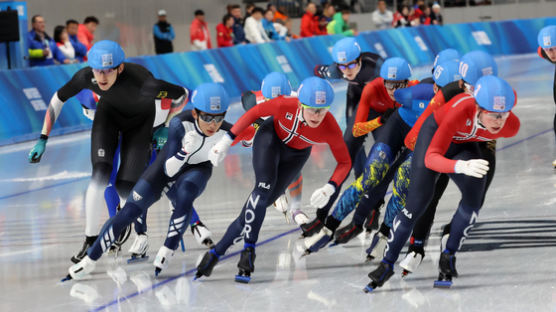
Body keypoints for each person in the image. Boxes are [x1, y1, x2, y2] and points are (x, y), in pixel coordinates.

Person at [28, 40, 188, 263]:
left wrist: (165, 126)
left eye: (108, 71)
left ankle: (124, 222)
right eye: (98, 71)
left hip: (139, 125)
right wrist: (43, 138)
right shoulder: (86, 77)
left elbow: (182, 94)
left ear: (120, 68)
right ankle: (90, 239)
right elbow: (58, 98)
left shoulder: (143, 81)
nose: (102, 78)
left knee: (125, 186)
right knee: (100, 174)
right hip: (109, 119)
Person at [365, 74, 520, 291]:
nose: (499, 122)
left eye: (504, 115)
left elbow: (492, 136)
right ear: (478, 108)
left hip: (465, 143)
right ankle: (387, 263)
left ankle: (448, 254)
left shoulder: (510, 125)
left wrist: (475, 162)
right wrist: (460, 167)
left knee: (474, 199)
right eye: (494, 116)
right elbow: (431, 158)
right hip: (434, 139)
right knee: (416, 205)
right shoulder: (459, 111)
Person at [66, 83, 234, 280]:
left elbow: (186, 95)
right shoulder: (88, 96)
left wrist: (168, 128)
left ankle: (184, 227)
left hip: (150, 134)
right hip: (121, 135)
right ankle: (102, 245)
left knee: (173, 187)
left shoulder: (153, 95)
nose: (213, 123)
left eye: (218, 118)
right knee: (114, 183)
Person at [194, 77, 351, 283]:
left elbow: (345, 162)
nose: (317, 115)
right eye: (312, 109)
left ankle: (216, 252)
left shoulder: (330, 127)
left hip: (296, 156)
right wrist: (226, 140)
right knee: (261, 191)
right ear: (301, 104)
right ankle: (249, 251)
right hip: (270, 140)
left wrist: (330, 187)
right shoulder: (284, 104)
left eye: (322, 110)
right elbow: (252, 114)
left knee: (258, 205)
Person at [304, 57, 418, 253]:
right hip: (382, 119)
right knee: (368, 175)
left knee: (400, 183)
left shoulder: (418, 90)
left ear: (408, 82)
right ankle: (329, 225)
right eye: (389, 84)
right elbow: (357, 130)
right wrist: (379, 121)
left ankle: (383, 230)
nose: (393, 90)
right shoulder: (370, 87)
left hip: (410, 135)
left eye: (398, 85)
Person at [305, 38, 384, 236]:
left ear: (359, 60)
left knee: (381, 157)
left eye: (351, 64)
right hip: (357, 97)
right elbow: (317, 70)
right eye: (343, 66)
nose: (347, 70)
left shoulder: (378, 67)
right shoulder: (335, 70)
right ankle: (321, 216)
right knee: (347, 158)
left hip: (380, 102)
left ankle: (374, 208)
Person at [240, 72, 309, 225]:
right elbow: (246, 97)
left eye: (280, 101)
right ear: (264, 98)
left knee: (294, 169)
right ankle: (278, 192)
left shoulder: (299, 100)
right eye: (270, 101)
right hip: (267, 135)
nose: (275, 106)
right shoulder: (252, 102)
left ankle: (296, 209)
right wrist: (249, 137)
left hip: (287, 133)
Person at [536, 25, 556, 168]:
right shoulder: (543, 52)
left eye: (555, 48)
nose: (552, 53)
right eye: (548, 49)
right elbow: (540, 51)